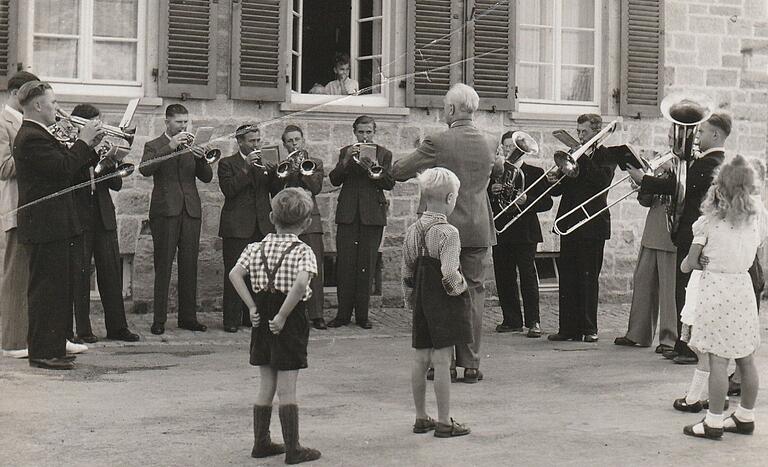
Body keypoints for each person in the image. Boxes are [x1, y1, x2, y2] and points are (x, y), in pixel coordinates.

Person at [393, 83, 495, 384]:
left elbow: (401, 170)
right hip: (478, 227)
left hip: (441, 226)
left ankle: (444, 363)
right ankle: (472, 364)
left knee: (441, 293)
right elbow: (497, 168)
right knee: (473, 293)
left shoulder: (438, 140)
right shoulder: (490, 141)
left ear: (451, 109)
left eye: (444, 107)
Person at [13, 81, 105, 369]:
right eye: (53, 103)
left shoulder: (40, 134)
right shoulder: (31, 137)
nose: (58, 108)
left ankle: (52, 348)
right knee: (46, 291)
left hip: (55, 225)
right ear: (38, 105)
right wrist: (83, 141)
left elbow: (68, 167)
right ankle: (42, 353)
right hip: (45, 226)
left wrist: (90, 147)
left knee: (58, 290)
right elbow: (63, 168)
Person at [628, 111, 730, 364]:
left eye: (702, 132)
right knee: (682, 293)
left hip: (694, 233)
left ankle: (688, 348)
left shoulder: (712, 161)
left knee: (688, 293)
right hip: (687, 232)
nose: (697, 137)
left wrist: (646, 180)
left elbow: (680, 186)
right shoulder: (705, 160)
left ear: (715, 134)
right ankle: (682, 344)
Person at [228, 188, 322, 464]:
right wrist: (282, 315)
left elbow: (235, 274)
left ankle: (261, 442)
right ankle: (293, 449)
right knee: (288, 387)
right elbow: (302, 284)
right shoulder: (304, 251)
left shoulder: (255, 248)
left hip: (261, 315)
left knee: (266, 382)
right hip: (289, 319)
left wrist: (252, 306)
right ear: (306, 224)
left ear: (271, 217)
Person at [676, 155, 764, 439]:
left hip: (717, 290)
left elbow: (690, 263)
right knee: (746, 359)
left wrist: (697, 261)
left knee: (717, 360)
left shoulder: (707, 223)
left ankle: (713, 421)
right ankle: (745, 416)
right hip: (743, 287)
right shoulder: (757, 219)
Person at [403, 168, 472, 438]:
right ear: (450, 198)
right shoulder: (448, 232)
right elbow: (449, 273)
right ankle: (444, 421)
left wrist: (412, 300)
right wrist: (461, 291)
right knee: (443, 361)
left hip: (421, 299)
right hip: (443, 302)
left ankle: (421, 417)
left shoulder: (413, 230)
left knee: (420, 359)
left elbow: (406, 272)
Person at [139, 104, 213, 335]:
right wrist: (170, 146)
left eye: (185, 122)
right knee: (163, 265)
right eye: (179, 122)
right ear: (167, 122)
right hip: (165, 211)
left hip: (190, 210)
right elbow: (145, 169)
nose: (183, 126)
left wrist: (202, 158)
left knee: (189, 265)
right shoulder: (154, 145)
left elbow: (207, 178)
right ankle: (159, 320)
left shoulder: (191, 146)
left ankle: (187, 318)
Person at [69, 104, 139, 344]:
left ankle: (118, 327)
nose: (101, 131)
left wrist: (111, 161)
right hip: (80, 215)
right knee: (80, 274)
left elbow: (116, 185)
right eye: (96, 125)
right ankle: (83, 330)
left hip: (103, 215)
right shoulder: (72, 146)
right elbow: (71, 176)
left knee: (111, 272)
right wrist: (90, 152)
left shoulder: (103, 148)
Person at [547, 114, 618, 343]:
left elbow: (601, 181)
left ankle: (589, 329)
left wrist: (582, 155)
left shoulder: (607, 155)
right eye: (578, 132)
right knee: (567, 277)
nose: (579, 136)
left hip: (593, 224)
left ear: (596, 133)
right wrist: (554, 179)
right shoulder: (574, 155)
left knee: (588, 278)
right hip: (569, 222)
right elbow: (559, 191)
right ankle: (568, 329)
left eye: (584, 132)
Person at [327, 116, 395, 329]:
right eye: (361, 133)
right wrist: (347, 160)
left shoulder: (384, 154)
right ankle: (343, 314)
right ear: (354, 132)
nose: (364, 137)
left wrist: (375, 168)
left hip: (372, 215)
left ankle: (363, 316)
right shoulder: (346, 151)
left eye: (368, 132)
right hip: (348, 214)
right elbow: (334, 179)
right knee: (345, 265)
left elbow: (389, 183)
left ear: (374, 132)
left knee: (367, 264)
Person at [614, 128, 678, 352]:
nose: (670, 141)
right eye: (669, 137)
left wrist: (669, 172)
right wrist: (643, 183)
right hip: (653, 228)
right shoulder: (665, 160)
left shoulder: (689, 164)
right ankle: (638, 333)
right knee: (643, 281)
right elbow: (647, 201)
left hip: (672, 231)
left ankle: (670, 339)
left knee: (670, 289)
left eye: (674, 138)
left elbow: (683, 191)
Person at [490, 131, 552, 338]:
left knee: (528, 277)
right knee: (504, 276)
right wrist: (493, 192)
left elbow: (547, 202)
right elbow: (488, 204)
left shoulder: (534, 172)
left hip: (525, 232)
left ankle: (534, 322)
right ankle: (511, 320)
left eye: (513, 146)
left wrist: (527, 200)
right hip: (501, 230)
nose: (510, 150)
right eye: (506, 147)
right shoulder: (495, 173)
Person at [218, 123, 277, 333]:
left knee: (258, 274)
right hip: (236, 226)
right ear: (240, 142)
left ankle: (249, 318)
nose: (256, 145)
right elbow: (229, 190)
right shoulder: (227, 163)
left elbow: (274, 191)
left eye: (258, 140)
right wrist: (247, 168)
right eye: (251, 141)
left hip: (262, 225)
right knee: (235, 272)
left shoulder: (264, 163)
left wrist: (276, 173)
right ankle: (231, 320)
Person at [0, 71, 39, 359]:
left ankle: (42, 336)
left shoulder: (28, 121)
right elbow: (3, 168)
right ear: (16, 93)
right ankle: (12, 342)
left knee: (37, 276)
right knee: (16, 276)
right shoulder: (3, 122)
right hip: (16, 206)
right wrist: (37, 150)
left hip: (39, 207)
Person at [277, 125, 326, 329]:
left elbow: (316, 188)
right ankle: (289, 312)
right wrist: (287, 171)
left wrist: (303, 171)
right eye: (290, 141)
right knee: (286, 267)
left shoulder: (315, 163)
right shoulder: (281, 165)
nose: (294, 143)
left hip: (309, 220)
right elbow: (275, 189)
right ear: (285, 144)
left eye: (297, 139)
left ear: (303, 141)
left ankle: (317, 315)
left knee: (314, 268)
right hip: (287, 221)